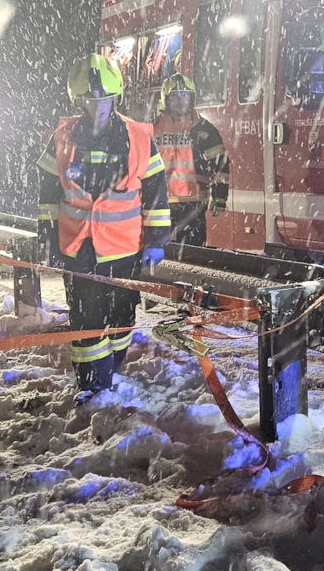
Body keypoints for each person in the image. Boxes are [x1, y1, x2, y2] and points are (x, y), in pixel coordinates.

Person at [37, 54, 171, 404]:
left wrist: (157, 240)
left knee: (122, 317)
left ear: (116, 99)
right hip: (78, 246)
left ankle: (111, 370)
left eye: (104, 100)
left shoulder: (139, 137)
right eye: (90, 100)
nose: (97, 108)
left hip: (124, 249)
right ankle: (92, 387)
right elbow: (49, 191)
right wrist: (47, 236)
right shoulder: (63, 136)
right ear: (80, 101)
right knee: (85, 318)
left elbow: (156, 192)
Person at [151, 73, 229, 246]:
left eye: (184, 95)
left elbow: (220, 164)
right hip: (161, 203)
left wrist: (219, 197)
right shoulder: (152, 128)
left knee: (192, 254)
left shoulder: (204, 130)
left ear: (191, 98)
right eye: (175, 96)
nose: (180, 100)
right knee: (158, 255)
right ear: (166, 99)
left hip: (193, 204)